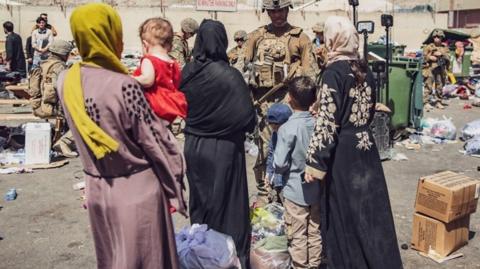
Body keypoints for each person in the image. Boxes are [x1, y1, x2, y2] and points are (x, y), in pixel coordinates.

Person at [57, 4, 186, 268]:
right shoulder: (123, 84)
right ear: (109, 35)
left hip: (97, 190)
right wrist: (176, 184)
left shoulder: (65, 80)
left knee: (113, 259)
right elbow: (156, 142)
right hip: (136, 191)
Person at [304, 16, 403, 269]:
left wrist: (314, 163)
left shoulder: (332, 73)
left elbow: (327, 123)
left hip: (343, 154)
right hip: (366, 148)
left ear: (332, 39)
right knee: (370, 214)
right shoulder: (364, 70)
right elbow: (368, 112)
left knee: (344, 215)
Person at [180, 19, 256, 268]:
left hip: (194, 146)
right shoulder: (230, 76)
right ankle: (229, 257)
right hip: (224, 149)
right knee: (228, 202)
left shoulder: (187, 73)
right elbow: (247, 118)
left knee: (201, 201)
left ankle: (200, 254)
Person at [244, 0, 315, 204]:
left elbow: (311, 74)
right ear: (267, 12)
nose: (277, 15)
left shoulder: (300, 38)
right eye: (273, 11)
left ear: (287, 10)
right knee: (265, 150)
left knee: (291, 149)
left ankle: (288, 194)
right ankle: (265, 192)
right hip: (263, 103)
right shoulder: (255, 37)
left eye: (281, 10)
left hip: (291, 103)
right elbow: (242, 68)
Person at [274, 76, 321, 269]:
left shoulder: (287, 128)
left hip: (295, 190)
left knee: (297, 234)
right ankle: (315, 265)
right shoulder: (319, 123)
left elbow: (279, 163)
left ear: (290, 98)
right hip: (317, 188)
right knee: (315, 231)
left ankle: (300, 266)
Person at [28, 39, 77, 157]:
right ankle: (64, 143)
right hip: (52, 108)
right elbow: (60, 88)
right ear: (63, 53)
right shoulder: (59, 67)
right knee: (87, 116)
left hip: (39, 106)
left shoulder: (43, 63)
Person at [133, 17, 187, 124]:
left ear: (145, 45)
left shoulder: (149, 60)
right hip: (169, 108)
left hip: (153, 107)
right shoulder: (173, 63)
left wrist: (130, 78)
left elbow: (147, 80)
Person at [264, 103, 292, 202]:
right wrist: (268, 173)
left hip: (288, 182)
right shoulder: (275, 134)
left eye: (277, 126)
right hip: (276, 180)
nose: (275, 129)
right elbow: (272, 153)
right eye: (272, 127)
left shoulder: (291, 136)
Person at [422, 29, 450, 110]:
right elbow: (423, 58)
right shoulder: (428, 47)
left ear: (442, 38)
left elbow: (448, 57)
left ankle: (439, 102)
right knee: (428, 85)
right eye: (435, 37)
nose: (436, 38)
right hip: (430, 68)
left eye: (438, 37)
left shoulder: (444, 47)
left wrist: (442, 54)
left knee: (440, 86)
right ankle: (426, 102)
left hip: (440, 69)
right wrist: (429, 57)